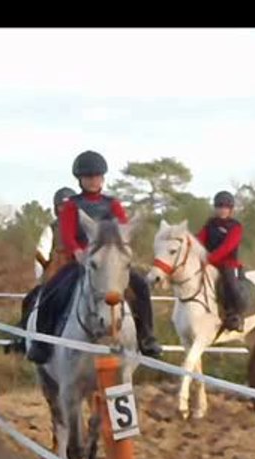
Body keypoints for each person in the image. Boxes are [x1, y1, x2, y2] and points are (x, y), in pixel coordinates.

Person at [25, 150, 162, 363]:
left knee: (141, 286)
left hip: (110, 262)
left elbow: (122, 232)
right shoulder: (72, 205)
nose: (93, 180)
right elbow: (68, 235)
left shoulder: (113, 204)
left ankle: (146, 337)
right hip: (80, 261)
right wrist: (79, 252)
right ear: (80, 179)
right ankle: (42, 344)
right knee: (52, 289)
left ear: (102, 178)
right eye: (88, 177)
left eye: (97, 176)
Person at [5, 186, 76, 355]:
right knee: (30, 300)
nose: (65, 210)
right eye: (62, 206)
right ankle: (28, 339)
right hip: (58, 277)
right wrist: (44, 278)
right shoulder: (51, 229)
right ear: (56, 208)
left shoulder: (84, 228)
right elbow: (41, 252)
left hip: (80, 274)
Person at [195, 190, 247, 331]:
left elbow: (227, 247)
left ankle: (237, 315)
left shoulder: (235, 227)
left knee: (231, 286)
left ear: (230, 209)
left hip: (227, 264)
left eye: (225, 207)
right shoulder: (210, 224)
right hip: (208, 262)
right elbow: (199, 240)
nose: (222, 210)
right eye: (219, 207)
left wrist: (209, 258)